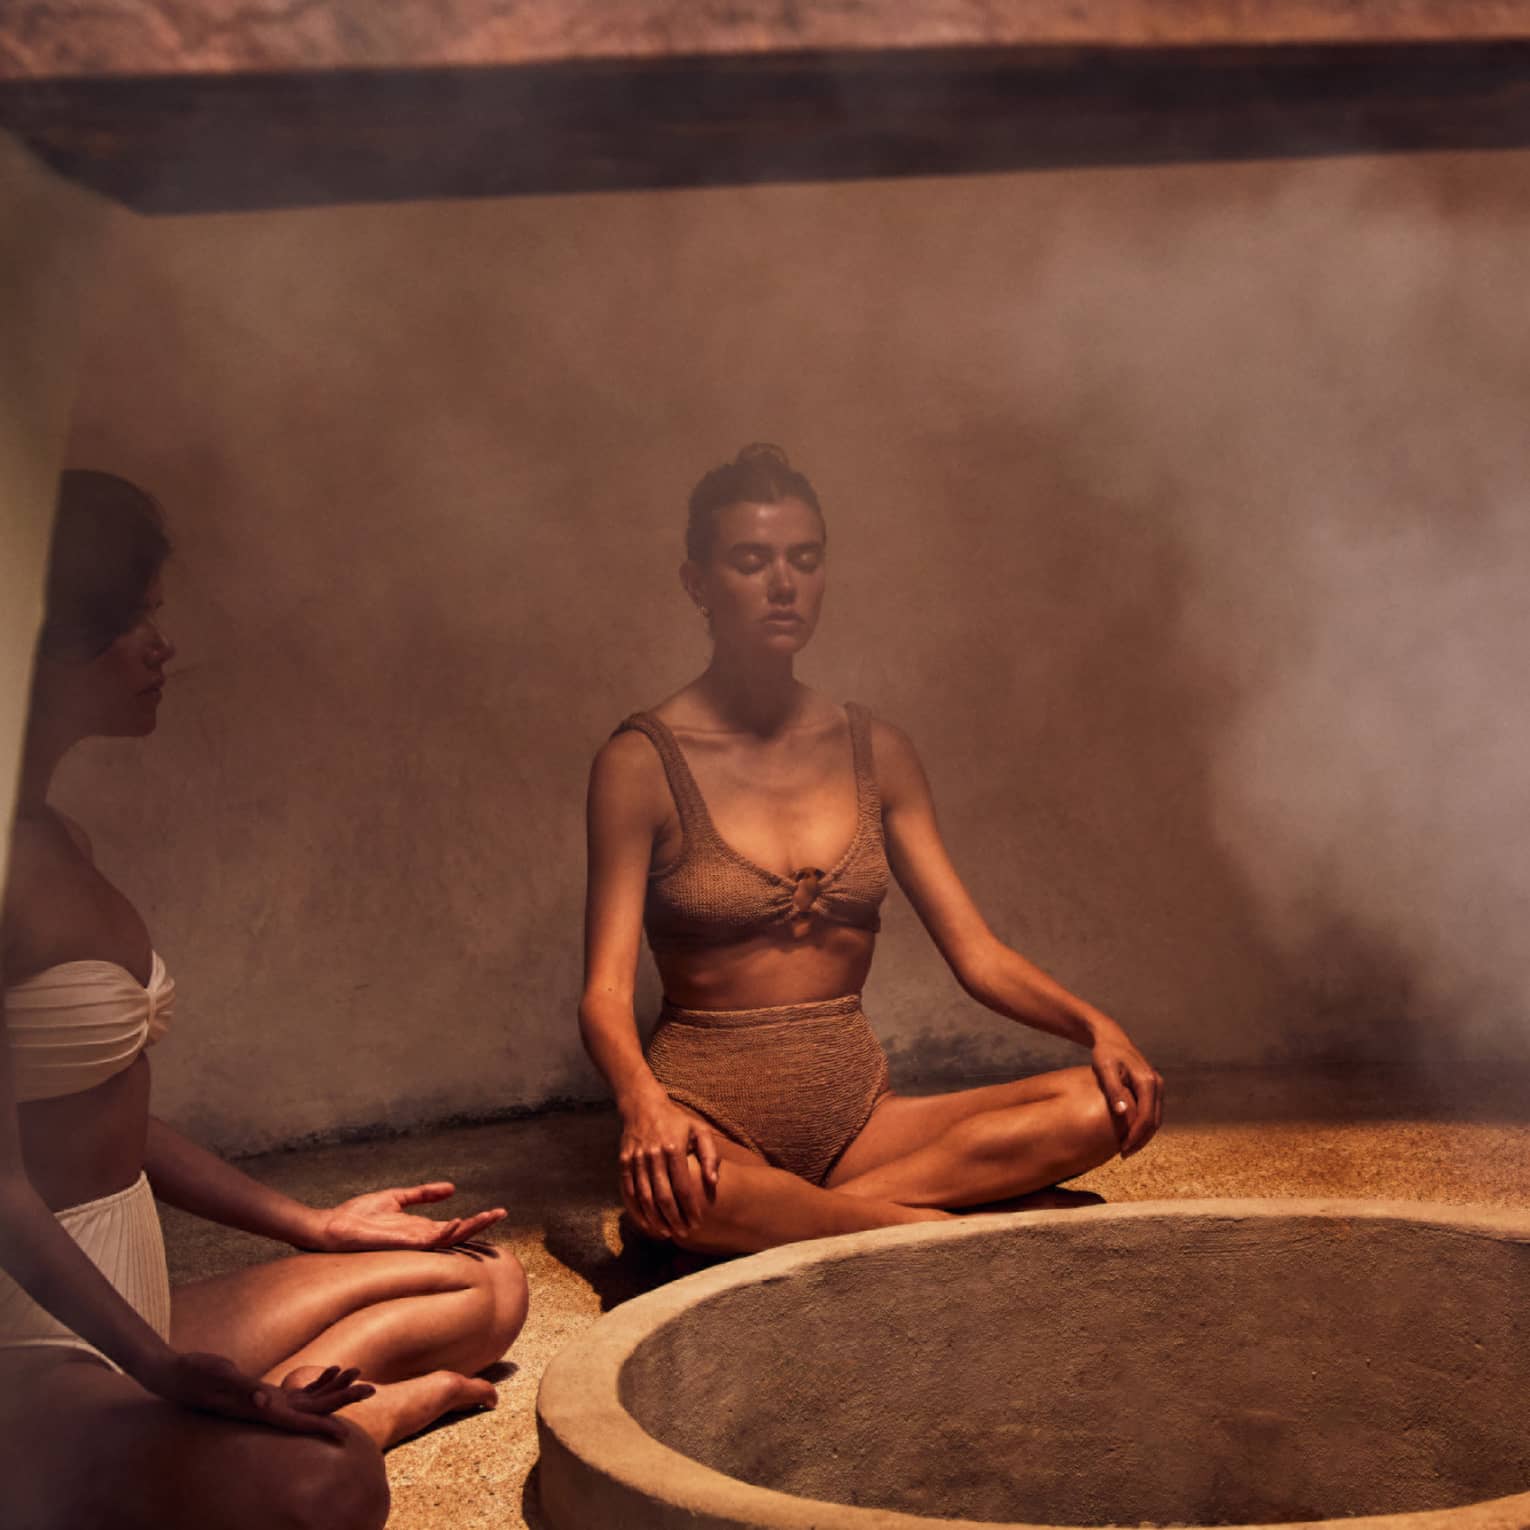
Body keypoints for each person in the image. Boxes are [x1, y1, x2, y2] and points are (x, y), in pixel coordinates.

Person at [0, 470, 528, 1530]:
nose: (162, 646)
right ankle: (338, 1425)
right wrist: (157, 1367)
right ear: (46, 643)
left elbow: (114, 1113)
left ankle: (259, 1419)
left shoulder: (57, 837)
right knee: (324, 1488)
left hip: (120, 1285)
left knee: (485, 1285)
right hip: (28, 1334)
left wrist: (316, 1225)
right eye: (132, 621)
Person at [581, 444, 1164, 1255]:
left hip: (861, 1120)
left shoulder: (876, 750)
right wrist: (645, 1108)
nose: (783, 584)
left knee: (1104, 1102)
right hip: (711, 1120)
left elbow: (979, 956)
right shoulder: (640, 762)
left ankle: (798, 1225)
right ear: (697, 583)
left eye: (804, 559)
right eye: (751, 561)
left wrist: (1101, 1028)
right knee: (691, 1191)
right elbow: (604, 995)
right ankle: (911, 1231)